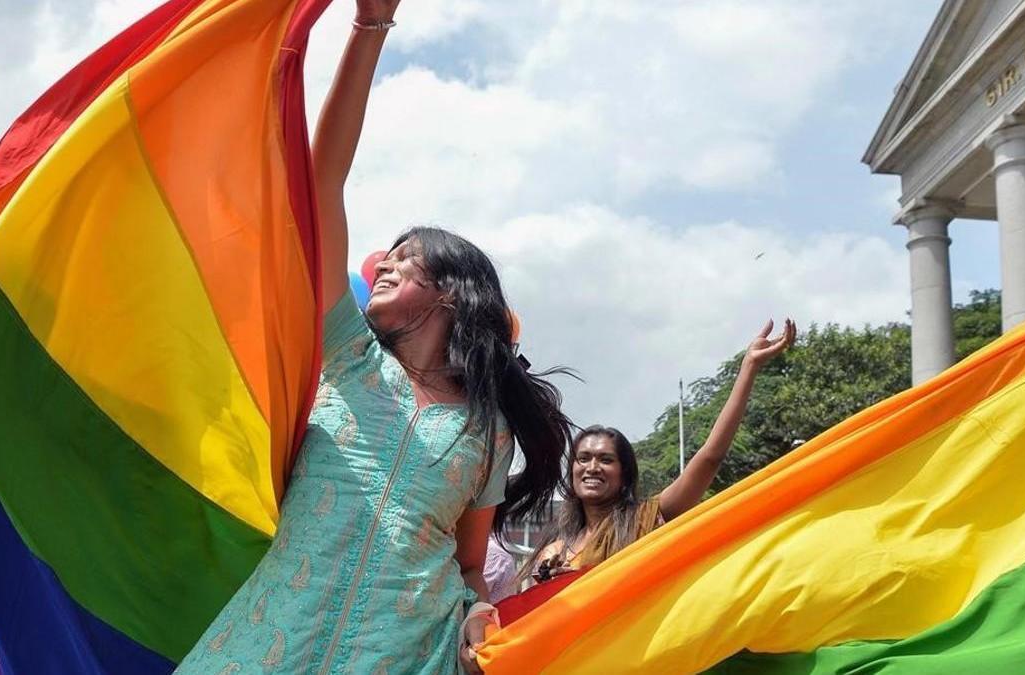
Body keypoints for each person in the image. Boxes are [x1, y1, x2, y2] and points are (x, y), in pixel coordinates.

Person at [176, 1, 573, 672]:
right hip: (276, 638)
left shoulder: (488, 431)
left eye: (405, 256)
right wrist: (368, 30)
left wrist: (479, 611)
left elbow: (471, 564)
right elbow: (321, 179)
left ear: (452, 289)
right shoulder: (347, 356)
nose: (382, 263)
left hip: (404, 653)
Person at [525, 319, 795, 581]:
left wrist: (748, 367)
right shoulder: (555, 552)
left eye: (606, 460)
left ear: (624, 475)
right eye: (583, 459)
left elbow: (710, 457)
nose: (592, 467)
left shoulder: (645, 520)